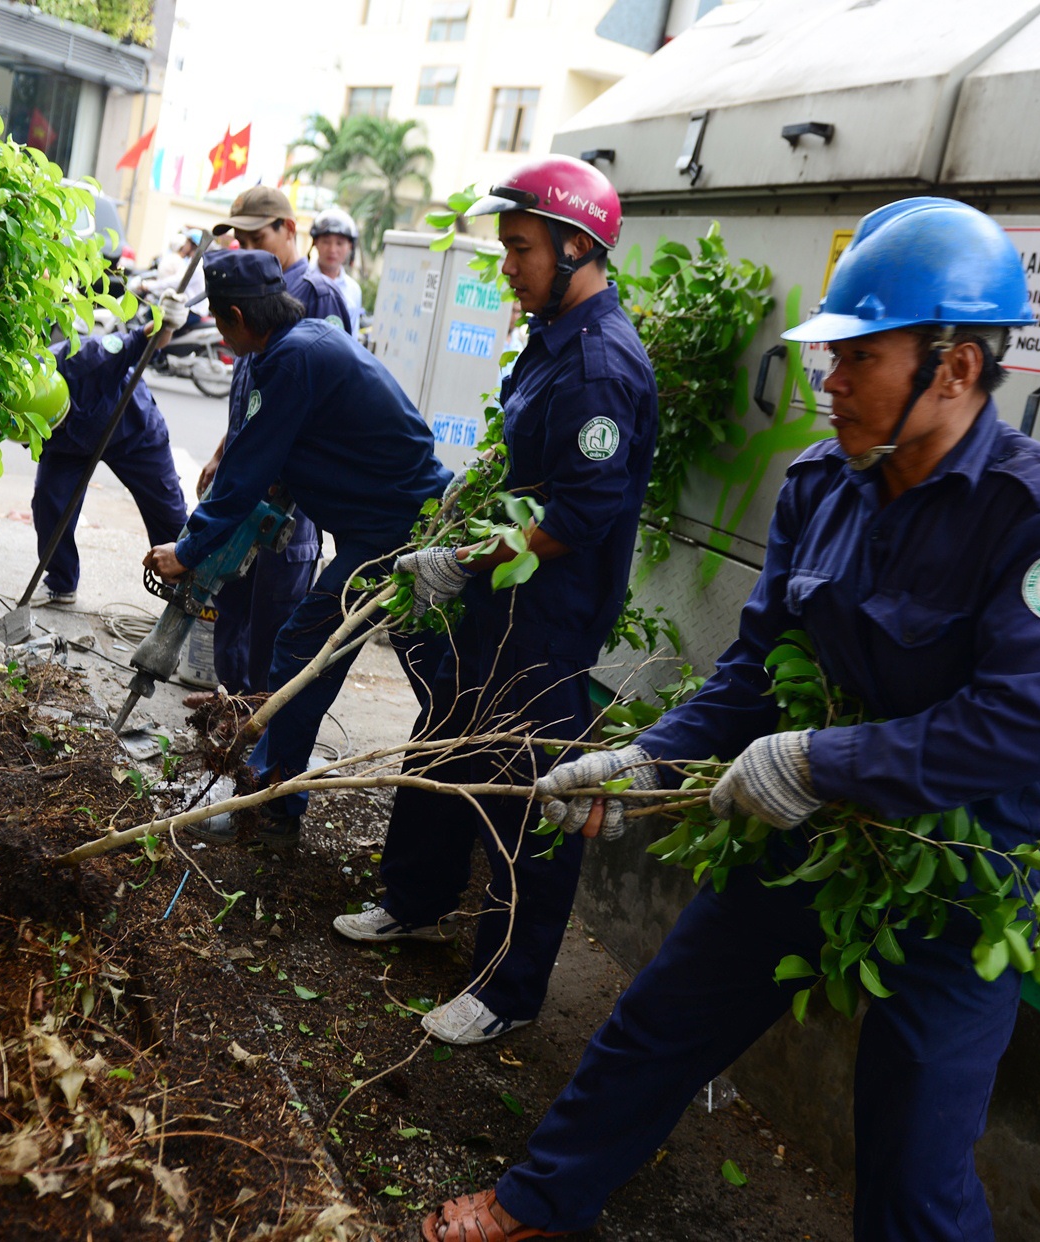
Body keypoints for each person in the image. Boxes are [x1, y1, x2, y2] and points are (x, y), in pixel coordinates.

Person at [419, 198, 1040, 1242]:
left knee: (914, 1160)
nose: (828, 380)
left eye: (857, 358)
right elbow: (756, 671)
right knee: (657, 1024)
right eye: (829, 356)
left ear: (956, 369)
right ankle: (539, 1204)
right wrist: (646, 763)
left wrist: (824, 761)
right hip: (804, 830)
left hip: (956, 866)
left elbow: (1028, 726)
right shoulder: (819, 489)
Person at [330, 156, 657, 1049]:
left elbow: (579, 514)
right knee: (442, 746)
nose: (505, 266)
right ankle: (415, 900)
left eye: (519, 249)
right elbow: (525, 471)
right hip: (498, 608)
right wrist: (462, 515)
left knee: (527, 803)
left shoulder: (597, 367)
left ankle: (505, 988)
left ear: (576, 247)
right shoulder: (551, 341)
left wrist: (465, 562)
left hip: (546, 623)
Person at [145, 250, 449, 848]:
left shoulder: (291, 360)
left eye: (219, 320)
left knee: (305, 647)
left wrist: (188, 549)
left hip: (394, 533)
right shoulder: (302, 341)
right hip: (401, 522)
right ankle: (464, 777)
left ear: (235, 316)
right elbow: (289, 451)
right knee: (436, 671)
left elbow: (246, 473)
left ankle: (274, 804)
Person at [198, 186, 355, 693]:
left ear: (289, 228)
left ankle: (259, 729)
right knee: (230, 596)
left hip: (288, 491)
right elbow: (255, 393)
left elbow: (329, 399)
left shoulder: (318, 295)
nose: (248, 247)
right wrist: (225, 453)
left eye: (257, 235)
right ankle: (230, 710)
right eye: (240, 238)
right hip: (247, 470)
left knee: (274, 611)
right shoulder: (251, 288)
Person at [28, 320, 190, 607]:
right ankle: (61, 583)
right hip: (68, 444)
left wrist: (169, 320)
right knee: (48, 499)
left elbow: (149, 337)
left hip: (131, 430)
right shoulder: (17, 399)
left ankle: (187, 590)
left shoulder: (88, 358)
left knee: (168, 514)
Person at [309, 207, 364, 335]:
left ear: (350, 246)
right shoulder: (301, 280)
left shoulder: (353, 291)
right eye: (326, 242)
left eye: (339, 243)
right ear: (315, 242)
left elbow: (352, 338)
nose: (332, 249)